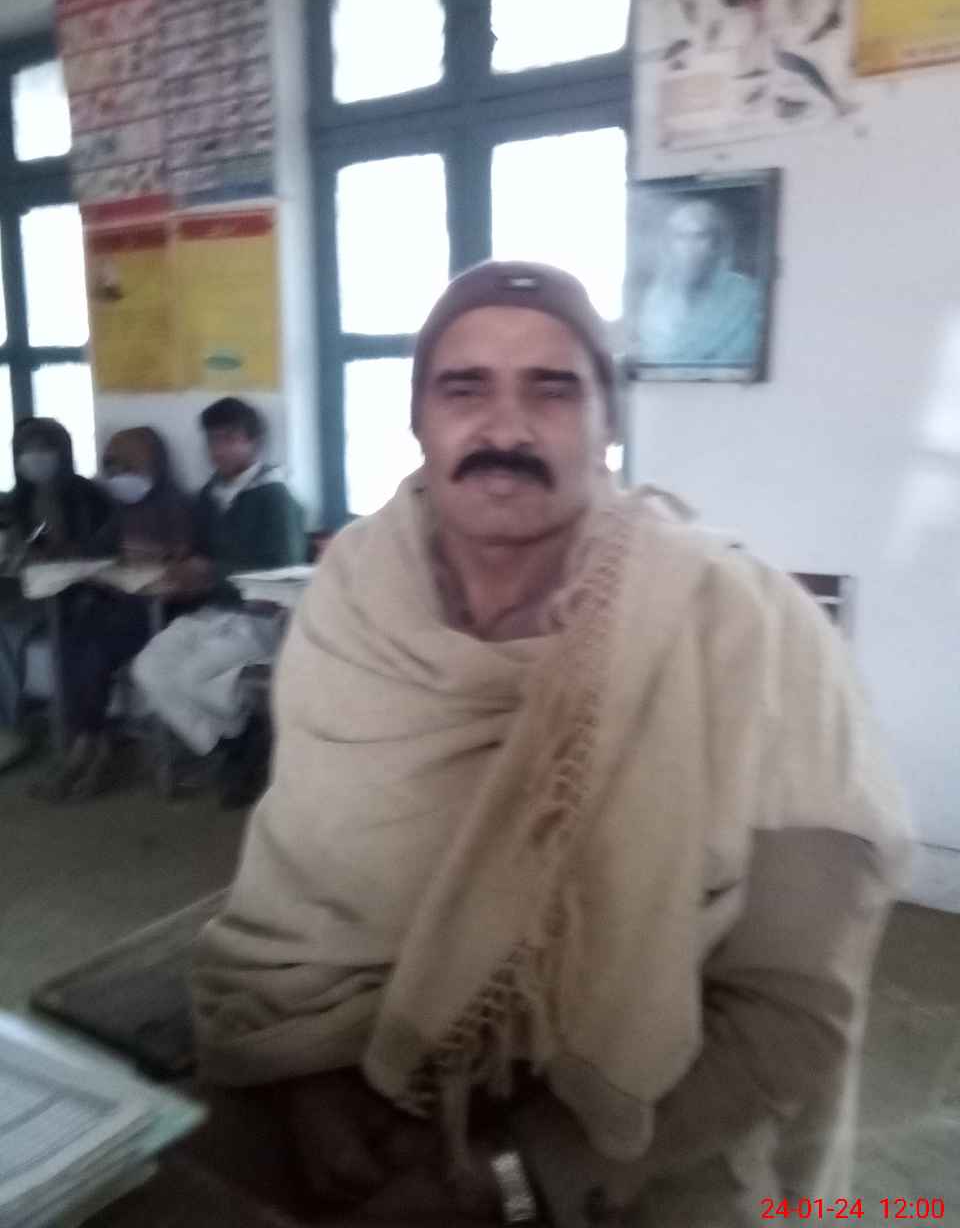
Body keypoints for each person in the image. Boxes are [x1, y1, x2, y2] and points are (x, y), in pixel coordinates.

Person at [191, 262, 911, 1227]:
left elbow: (795, 1007)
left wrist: (521, 1174)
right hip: (361, 1099)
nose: (507, 430)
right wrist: (309, 1078)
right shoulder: (353, 603)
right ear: (417, 419)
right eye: (465, 389)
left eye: (553, 389)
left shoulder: (742, 625)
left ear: (609, 421)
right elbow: (301, 895)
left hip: (645, 1151)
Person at [132, 397, 304, 808]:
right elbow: (198, 553)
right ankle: (233, 744)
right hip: (212, 612)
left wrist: (212, 572)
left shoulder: (274, 497)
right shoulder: (209, 495)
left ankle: (241, 748)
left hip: (261, 619)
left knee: (193, 675)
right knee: (149, 669)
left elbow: (283, 571)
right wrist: (178, 564)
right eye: (212, 441)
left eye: (229, 439)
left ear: (253, 442)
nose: (218, 450)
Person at [41, 427, 198, 804]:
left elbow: (185, 564)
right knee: (72, 644)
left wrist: (157, 562)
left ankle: (94, 749)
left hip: (161, 613)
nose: (119, 477)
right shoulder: (118, 509)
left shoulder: (177, 506)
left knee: (95, 648)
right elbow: (96, 551)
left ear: (154, 466)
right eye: (112, 468)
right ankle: (87, 741)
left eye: (129, 468)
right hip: (121, 605)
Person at [0, 418, 112, 770]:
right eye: (25, 451)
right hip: (25, 594)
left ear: (61, 453)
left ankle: (64, 736)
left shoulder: (87, 495)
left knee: (57, 642)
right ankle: (10, 728)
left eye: (43, 450)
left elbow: (101, 553)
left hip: (75, 597)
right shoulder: (16, 500)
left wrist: (61, 551)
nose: (34, 458)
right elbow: (12, 550)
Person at [635, 198, 762, 367]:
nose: (690, 247)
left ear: (716, 244)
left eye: (700, 236)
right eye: (680, 237)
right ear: (669, 245)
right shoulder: (655, 299)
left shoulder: (745, 296)